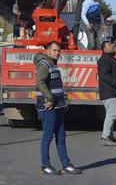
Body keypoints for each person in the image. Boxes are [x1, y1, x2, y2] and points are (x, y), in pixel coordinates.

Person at [35, 41, 82, 175]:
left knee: (61, 137)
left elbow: (57, 87)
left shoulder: (53, 65)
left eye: (58, 50)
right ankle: (45, 166)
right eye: (54, 50)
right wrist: (50, 98)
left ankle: (66, 164)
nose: (57, 53)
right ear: (48, 51)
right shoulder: (43, 65)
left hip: (58, 106)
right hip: (48, 108)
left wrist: (63, 103)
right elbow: (40, 83)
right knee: (47, 137)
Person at [97, 38, 116, 146]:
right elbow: (104, 76)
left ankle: (110, 136)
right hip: (108, 91)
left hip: (112, 91)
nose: (112, 45)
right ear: (104, 49)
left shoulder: (109, 58)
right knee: (112, 114)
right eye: (109, 45)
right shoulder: (104, 60)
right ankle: (105, 137)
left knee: (111, 114)